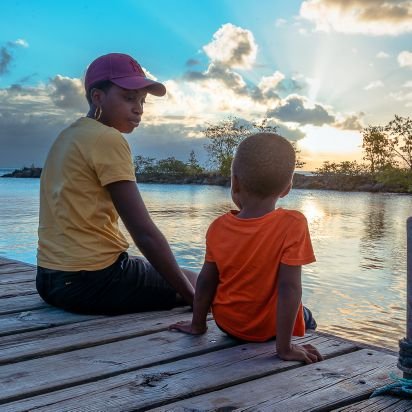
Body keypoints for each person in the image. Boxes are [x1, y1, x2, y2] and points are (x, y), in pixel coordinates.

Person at [36, 53, 197, 315]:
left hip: (50, 280)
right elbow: (143, 232)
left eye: (142, 101)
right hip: (93, 281)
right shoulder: (107, 138)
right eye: (128, 97)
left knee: (185, 274)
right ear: (98, 97)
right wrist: (194, 298)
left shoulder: (69, 136)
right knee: (202, 284)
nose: (139, 109)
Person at [170, 132, 323, 364]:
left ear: (235, 182)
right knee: (307, 316)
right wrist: (285, 348)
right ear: (287, 188)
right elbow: (289, 288)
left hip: (228, 325)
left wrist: (197, 324)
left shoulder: (218, 227)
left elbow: (205, 281)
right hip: (268, 332)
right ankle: (292, 337)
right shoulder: (293, 223)